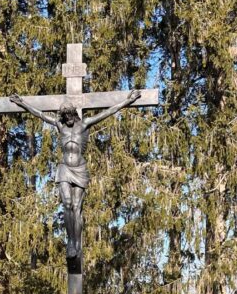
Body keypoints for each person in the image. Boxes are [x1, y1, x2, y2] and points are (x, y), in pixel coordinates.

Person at [8, 90, 141, 259]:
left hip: (79, 168)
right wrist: (22, 103)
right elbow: (40, 114)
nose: (68, 119)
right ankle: (71, 242)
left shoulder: (84, 124)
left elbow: (108, 112)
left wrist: (127, 101)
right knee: (68, 204)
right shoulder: (60, 125)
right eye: (65, 116)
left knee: (77, 207)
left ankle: (77, 243)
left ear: (74, 114)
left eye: (70, 115)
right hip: (64, 168)